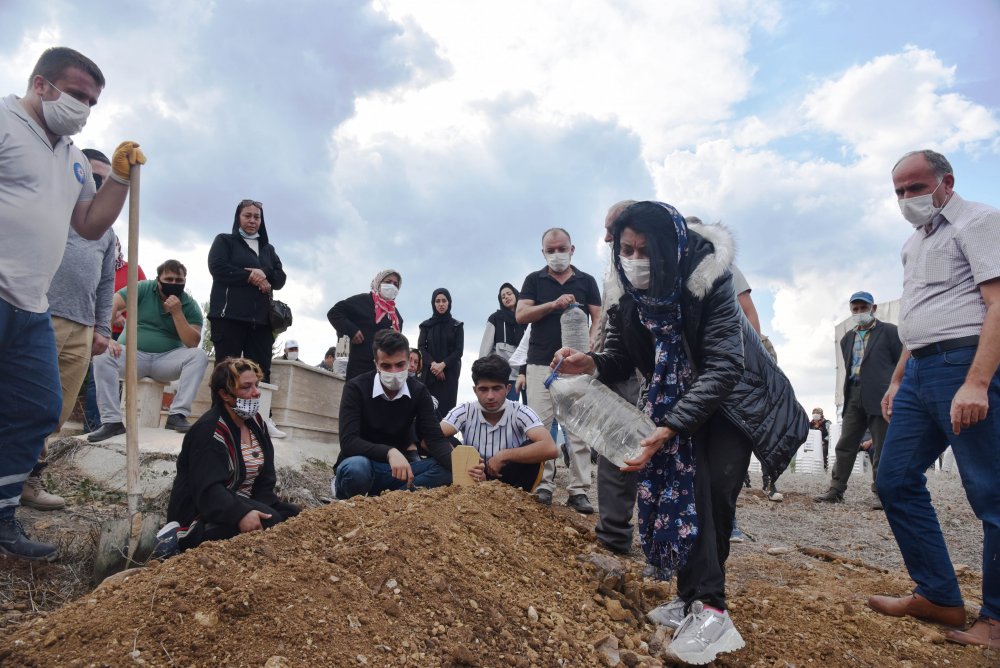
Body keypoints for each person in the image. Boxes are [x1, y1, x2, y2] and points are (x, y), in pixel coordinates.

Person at [554, 201, 807, 664]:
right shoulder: (627, 292)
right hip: (680, 402)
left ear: (671, 247)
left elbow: (726, 364)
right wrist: (586, 363)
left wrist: (670, 426)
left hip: (736, 403)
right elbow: (619, 358)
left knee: (708, 495)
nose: (632, 257)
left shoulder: (709, 280)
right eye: (625, 248)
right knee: (684, 494)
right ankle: (692, 599)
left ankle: (713, 613)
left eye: (643, 249)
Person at [0, 46, 144, 562]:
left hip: (29, 304)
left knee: (40, 407)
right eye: (77, 95)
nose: (83, 108)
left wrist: (121, 179)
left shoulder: (73, 161)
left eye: (92, 102)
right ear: (42, 85)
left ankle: (3, 513)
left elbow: (89, 224)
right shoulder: (5, 122)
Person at [868, 150, 1000, 648]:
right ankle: (940, 595)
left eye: (916, 188)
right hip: (921, 369)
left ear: (946, 182)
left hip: (963, 365)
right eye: (899, 191)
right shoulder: (912, 244)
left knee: (991, 491)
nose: (906, 198)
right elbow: (920, 315)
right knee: (895, 478)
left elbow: (997, 304)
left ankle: (996, 620)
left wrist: (978, 382)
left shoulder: (980, 221)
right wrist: (900, 378)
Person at [21, 149, 118, 511]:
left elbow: (107, 283)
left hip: (82, 328)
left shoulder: (107, 233)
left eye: (106, 180)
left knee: (55, 412)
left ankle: (29, 479)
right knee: (23, 402)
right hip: (39, 314)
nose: (99, 185)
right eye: (93, 177)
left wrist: (102, 327)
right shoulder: (54, 210)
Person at [162, 358, 300, 553]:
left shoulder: (256, 423)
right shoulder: (209, 431)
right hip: (204, 512)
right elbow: (208, 491)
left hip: (241, 501)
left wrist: (265, 508)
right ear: (225, 394)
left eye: (256, 385)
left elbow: (265, 480)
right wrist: (241, 513)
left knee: (292, 515)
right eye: (246, 387)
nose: (256, 392)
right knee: (272, 521)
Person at [516, 228, 602, 513]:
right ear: (543, 253)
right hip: (541, 362)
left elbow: (599, 317)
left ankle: (579, 490)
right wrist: (553, 304)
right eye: (550, 250)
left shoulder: (587, 281)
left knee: (578, 428)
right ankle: (543, 483)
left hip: (577, 365)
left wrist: (590, 346)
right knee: (541, 426)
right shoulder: (533, 280)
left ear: (572, 249)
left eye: (561, 248)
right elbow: (521, 314)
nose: (556, 254)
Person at [87, 260, 210, 441]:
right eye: (169, 279)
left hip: (166, 361)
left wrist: (177, 313)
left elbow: (192, 342)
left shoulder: (190, 305)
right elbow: (112, 304)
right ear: (158, 280)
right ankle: (111, 422)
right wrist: (107, 337)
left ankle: (177, 415)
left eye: (179, 280)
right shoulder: (143, 288)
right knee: (102, 354)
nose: (173, 284)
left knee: (199, 355)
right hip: (131, 355)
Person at [332, 330, 453, 499]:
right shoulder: (356, 388)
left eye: (400, 365)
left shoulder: (418, 391)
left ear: (408, 362)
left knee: (446, 470)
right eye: (386, 366)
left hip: (397, 472)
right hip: (362, 463)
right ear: (376, 364)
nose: (394, 372)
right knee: (357, 470)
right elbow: (349, 442)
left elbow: (435, 439)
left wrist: (462, 465)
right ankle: (374, 497)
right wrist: (390, 452)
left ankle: (390, 500)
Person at [815, 291, 902, 509]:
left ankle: (882, 493)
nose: (859, 312)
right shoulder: (847, 339)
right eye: (855, 309)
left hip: (881, 394)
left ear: (873, 308)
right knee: (846, 443)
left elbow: (902, 363)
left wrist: (895, 390)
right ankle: (836, 490)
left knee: (881, 445)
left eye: (863, 308)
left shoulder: (890, 332)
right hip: (853, 394)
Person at [440, 355, 557, 491]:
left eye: (496, 388)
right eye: (483, 389)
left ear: (507, 389)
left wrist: (503, 455)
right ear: (475, 390)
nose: (490, 396)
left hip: (511, 481)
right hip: (472, 478)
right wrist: (464, 465)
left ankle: (520, 501)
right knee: (445, 441)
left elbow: (550, 448)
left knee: (533, 445)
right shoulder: (464, 410)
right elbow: (429, 438)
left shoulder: (521, 411)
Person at [207, 199, 286, 379]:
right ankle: (219, 407)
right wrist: (251, 277)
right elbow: (218, 268)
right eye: (247, 216)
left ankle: (258, 408)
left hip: (261, 323)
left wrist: (263, 272)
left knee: (260, 374)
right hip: (229, 319)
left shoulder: (268, 249)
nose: (252, 220)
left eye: (257, 217)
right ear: (238, 218)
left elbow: (280, 278)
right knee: (226, 374)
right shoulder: (224, 240)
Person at [328, 269, 403, 380]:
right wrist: (351, 330)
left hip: (383, 375)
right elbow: (334, 313)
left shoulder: (396, 317)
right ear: (378, 282)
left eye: (396, 284)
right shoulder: (362, 301)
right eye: (388, 282)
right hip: (358, 372)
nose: (392, 286)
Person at [418, 288, 464, 415]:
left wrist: (442, 365)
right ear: (433, 304)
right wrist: (434, 365)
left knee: (446, 411)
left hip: (449, 375)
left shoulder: (457, 326)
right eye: (437, 301)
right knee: (427, 409)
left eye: (444, 300)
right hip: (429, 374)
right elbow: (421, 348)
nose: (441, 304)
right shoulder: (426, 326)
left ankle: (445, 434)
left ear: (449, 303)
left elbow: (459, 351)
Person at [479, 283, 527, 400]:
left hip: (526, 373)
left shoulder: (526, 317)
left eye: (509, 294)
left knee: (531, 410)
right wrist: (480, 373)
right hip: (506, 376)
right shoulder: (495, 318)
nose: (506, 297)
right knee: (508, 411)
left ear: (516, 294)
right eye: (503, 296)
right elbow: (485, 349)